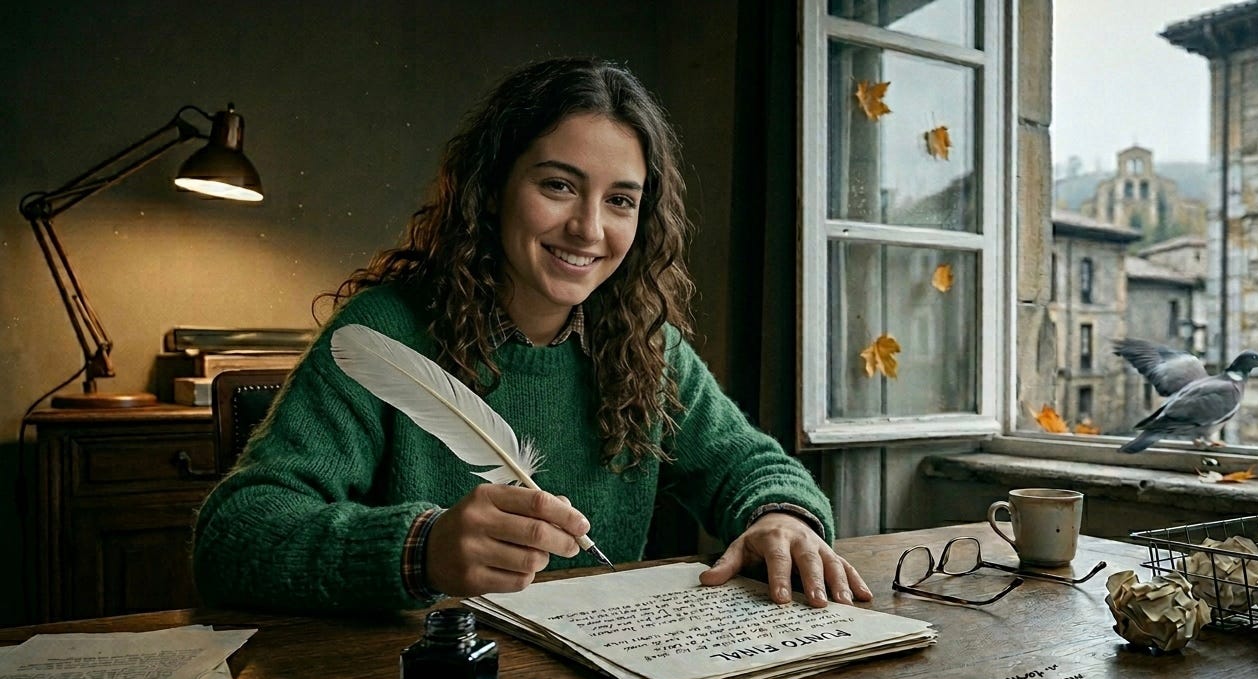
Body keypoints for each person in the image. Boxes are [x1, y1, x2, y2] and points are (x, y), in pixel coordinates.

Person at [192, 56, 872, 615]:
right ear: (492, 189)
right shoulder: (385, 333)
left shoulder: (643, 345)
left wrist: (783, 520)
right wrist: (420, 549)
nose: (588, 229)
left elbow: (751, 466)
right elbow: (234, 536)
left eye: (621, 201)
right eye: (558, 185)